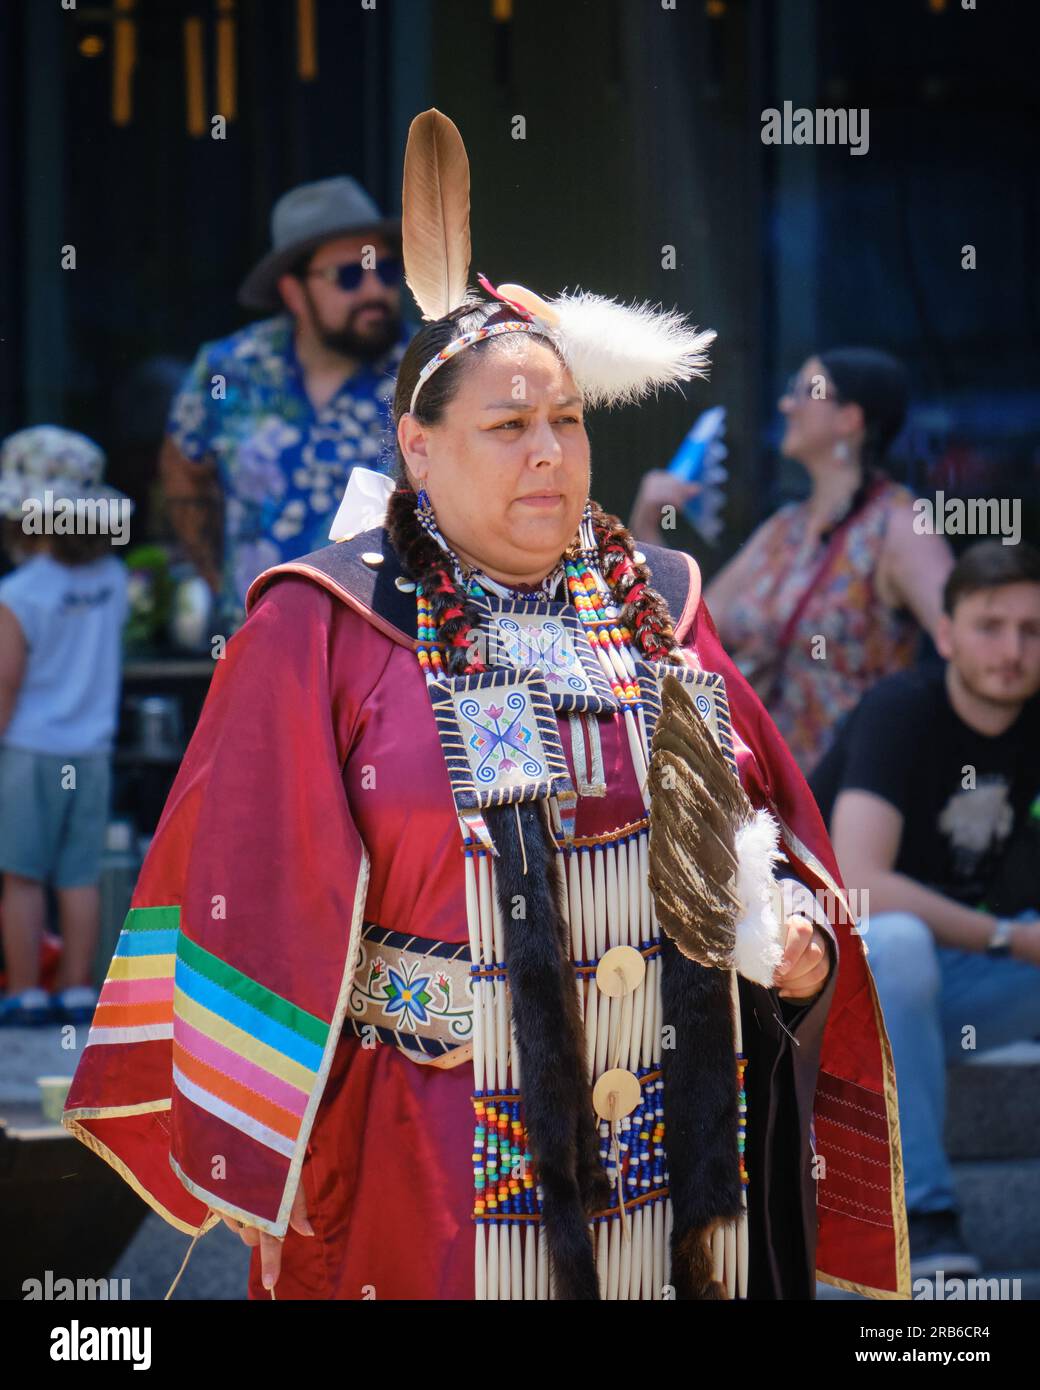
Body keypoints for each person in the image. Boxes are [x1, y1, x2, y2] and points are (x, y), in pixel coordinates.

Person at [62, 111, 906, 1302]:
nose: (547, 456)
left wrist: (792, 930)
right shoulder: (321, 624)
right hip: (430, 1154)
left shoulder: (659, 600)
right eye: (505, 428)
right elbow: (237, 888)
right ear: (418, 446)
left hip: (673, 1148)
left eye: (564, 421)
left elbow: (765, 823)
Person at [812, 540, 1040, 1278]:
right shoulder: (901, 710)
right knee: (901, 943)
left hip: (949, 991)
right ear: (945, 634)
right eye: (989, 626)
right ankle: (927, 1218)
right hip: (831, 987)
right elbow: (859, 877)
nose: (1012, 650)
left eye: (1032, 631)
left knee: (919, 959)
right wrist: (1006, 936)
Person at [631, 349, 954, 774]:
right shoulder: (785, 529)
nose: (787, 405)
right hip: (764, 791)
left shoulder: (898, 525)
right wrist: (646, 524)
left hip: (850, 797)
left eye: (806, 392)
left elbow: (962, 643)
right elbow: (693, 628)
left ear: (849, 420)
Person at [160, 175, 413, 635]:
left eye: (387, 270)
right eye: (350, 275)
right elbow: (183, 472)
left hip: (386, 645)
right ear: (293, 292)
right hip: (256, 638)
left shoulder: (427, 371)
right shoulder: (228, 368)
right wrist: (222, 583)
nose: (374, 290)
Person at [0, 428, 131, 1026]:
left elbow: (6, 684)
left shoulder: (20, 592)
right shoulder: (112, 583)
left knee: (23, 879)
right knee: (79, 876)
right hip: (92, 754)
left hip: (29, 751)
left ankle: (25, 991)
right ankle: (79, 988)